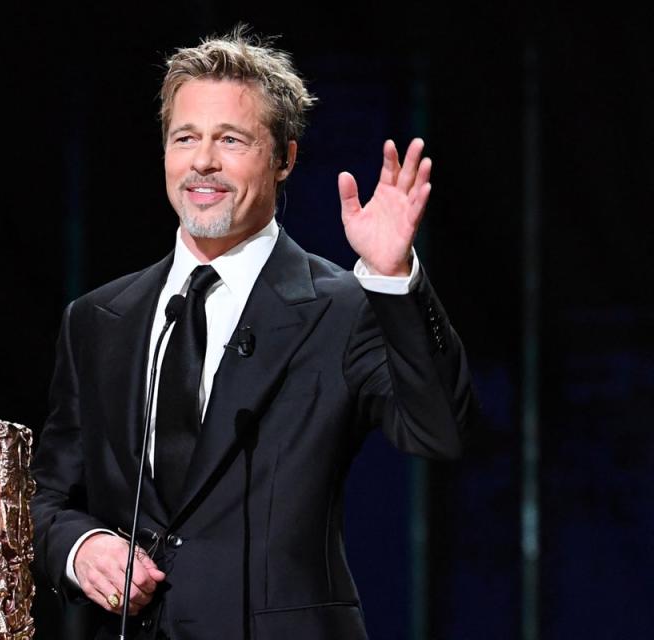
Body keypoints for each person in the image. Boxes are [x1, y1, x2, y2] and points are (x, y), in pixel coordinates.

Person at [31, 27, 477, 640]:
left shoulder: (343, 308)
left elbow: (441, 430)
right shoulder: (99, 319)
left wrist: (394, 278)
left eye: (231, 140)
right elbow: (47, 497)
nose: (203, 161)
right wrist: (81, 549)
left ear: (285, 158)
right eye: (185, 138)